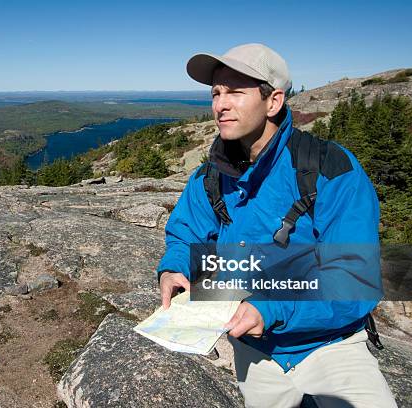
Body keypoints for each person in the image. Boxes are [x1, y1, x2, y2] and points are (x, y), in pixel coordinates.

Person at [156, 43, 397, 408]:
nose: (220, 104)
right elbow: (186, 231)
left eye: (236, 91)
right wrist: (175, 267)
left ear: (274, 102)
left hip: (329, 344)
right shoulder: (209, 176)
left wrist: (272, 308)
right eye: (216, 93)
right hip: (253, 348)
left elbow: (355, 277)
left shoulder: (329, 169)